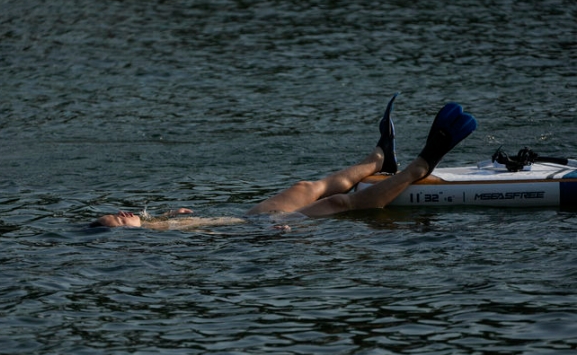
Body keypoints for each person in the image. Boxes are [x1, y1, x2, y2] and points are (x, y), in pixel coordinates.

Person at [89, 94, 477, 229]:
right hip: (259, 234)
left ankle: (378, 158)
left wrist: (175, 215)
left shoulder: (155, 226)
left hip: (249, 219)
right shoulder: (155, 245)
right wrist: (269, 245)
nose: (121, 213)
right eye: (118, 220)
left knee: (305, 188)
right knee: (341, 204)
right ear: (125, 241)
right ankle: (421, 165)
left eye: (116, 212)